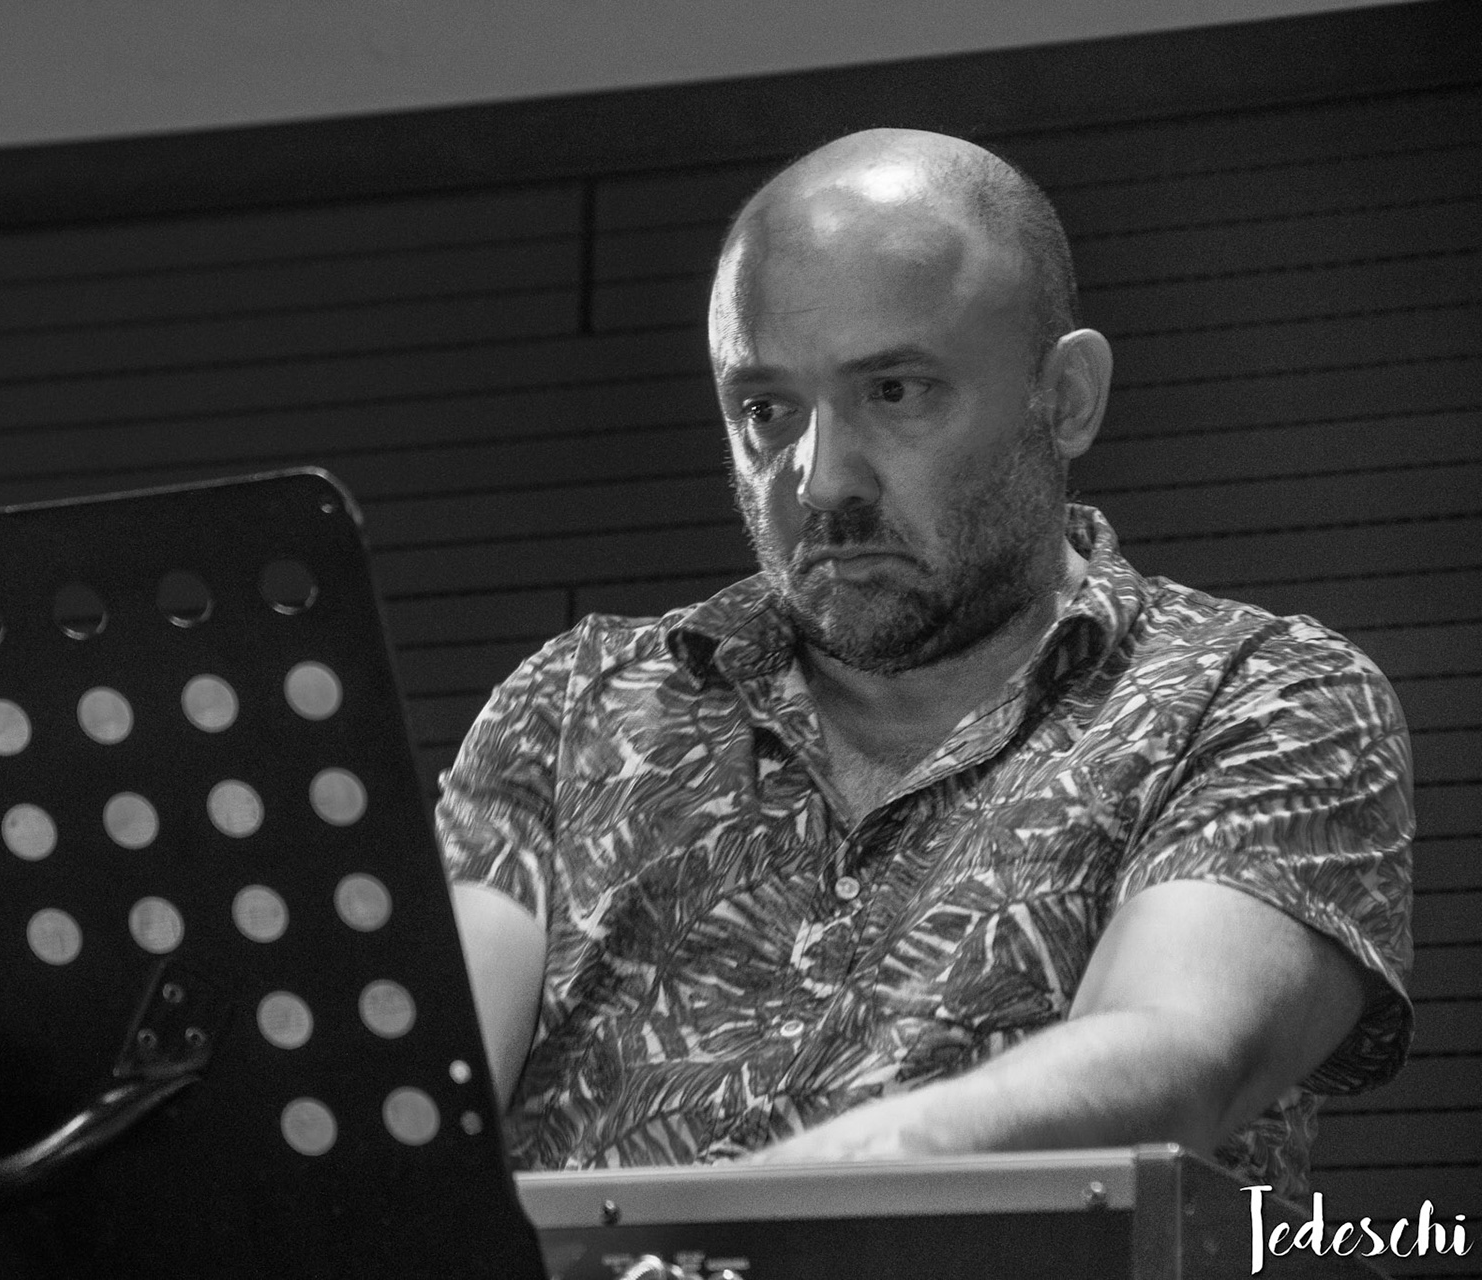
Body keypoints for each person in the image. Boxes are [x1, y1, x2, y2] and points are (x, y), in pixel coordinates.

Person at [436, 128, 1412, 1197]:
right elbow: (412, 1103)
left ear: (1067, 397)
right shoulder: (580, 703)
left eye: (895, 391)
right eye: (766, 410)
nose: (821, 481)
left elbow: (1167, 1062)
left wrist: (710, 1236)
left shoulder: (1256, 696)